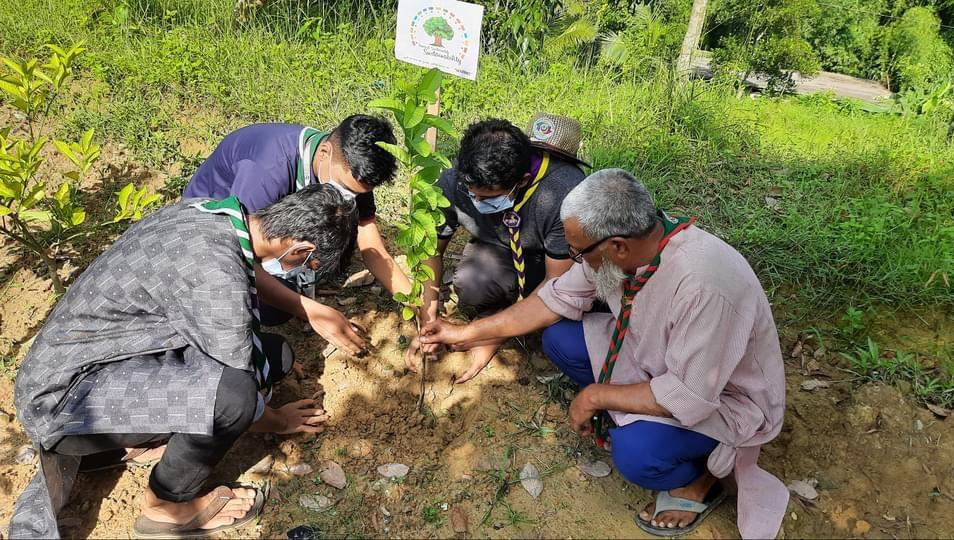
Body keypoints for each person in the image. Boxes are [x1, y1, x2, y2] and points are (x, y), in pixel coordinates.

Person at [421, 169, 789, 538]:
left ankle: (701, 481)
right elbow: (552, 300)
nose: (575, 260)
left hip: (721, 399)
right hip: (653, 358)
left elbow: (690, 395)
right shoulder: (625, 251)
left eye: (578, 252)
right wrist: (465, 333)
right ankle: (631, 411)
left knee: (636, 455)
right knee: (560, 339)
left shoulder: (704, 287)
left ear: (617, 246)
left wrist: (596, 395)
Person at [10, 184, 356, 539]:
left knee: (272, 357)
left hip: (90, 363)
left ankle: (125, 446)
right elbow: (239, 388)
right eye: (307, 265)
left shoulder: (209, 214)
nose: (302, 273)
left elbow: (237, 333)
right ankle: (165, 506)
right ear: (300, 249)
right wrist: (279, 421)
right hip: (64, 402)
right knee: (234, 398)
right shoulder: (217, 274)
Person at [183, 116, 406, 355]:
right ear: (324, 152)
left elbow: (372, 245)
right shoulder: (266, 173)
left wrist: (417, 303)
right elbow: (238, 256)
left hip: (270, 232)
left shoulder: (352, 173)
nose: (348, 196)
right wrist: (311, 312)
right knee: (273, 310)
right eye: (345, 188)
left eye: (356, 193)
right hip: (210, 234)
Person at [408, 114, 589, 382]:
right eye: (472, 193)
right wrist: (428, 319)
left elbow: (556, 287)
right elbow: (432, 249)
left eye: (489, 197)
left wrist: (489, 337)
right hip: (497, 248)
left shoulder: (564, 195)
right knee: (471, 284)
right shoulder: (455, 178)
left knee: (550, 313)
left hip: (547, 259)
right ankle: (499, 307)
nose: (477, 201)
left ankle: (504, 315)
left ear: (523, 181)